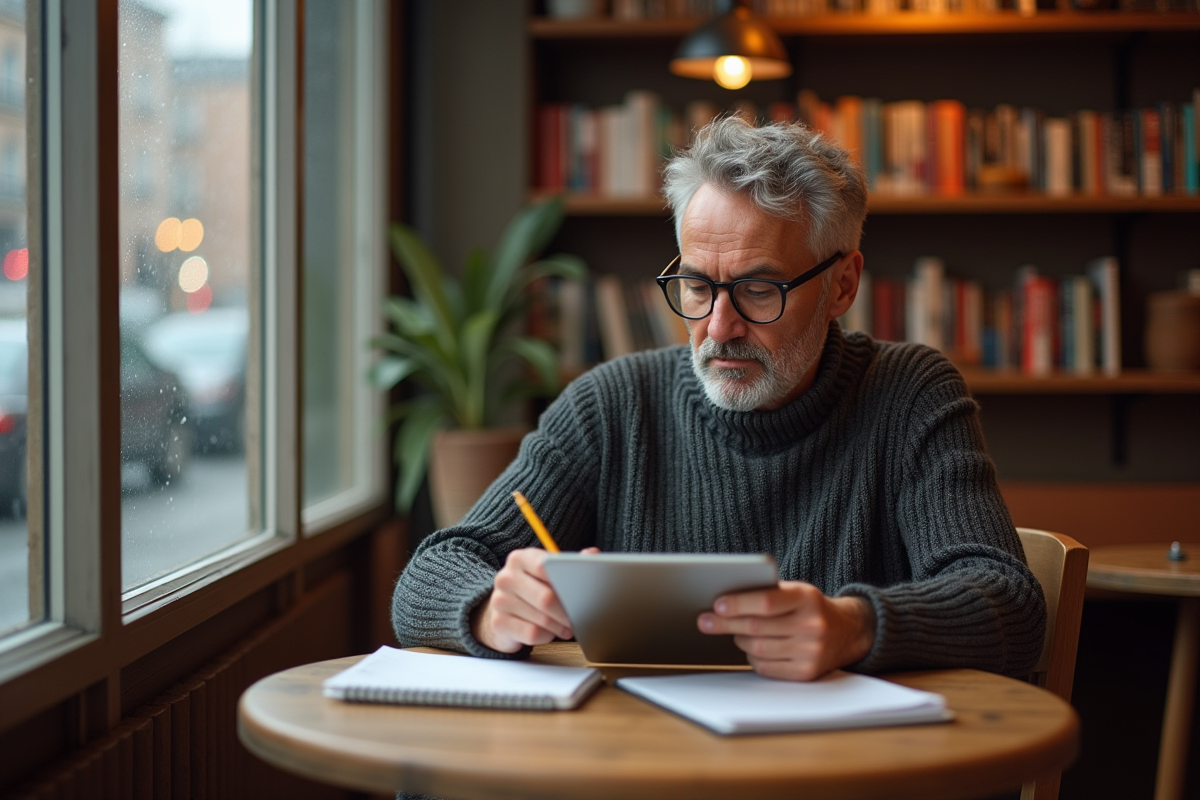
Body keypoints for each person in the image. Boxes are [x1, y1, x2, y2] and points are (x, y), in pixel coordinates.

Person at [391, 115, 1046, 682]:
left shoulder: (909, 395)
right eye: (698, 287)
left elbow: (1009, 605)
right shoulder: (612, 406)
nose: (719, 327)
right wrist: (489, 605)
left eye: (760, 290)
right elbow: (431, 573)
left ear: (842, 284)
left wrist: (857, 626)